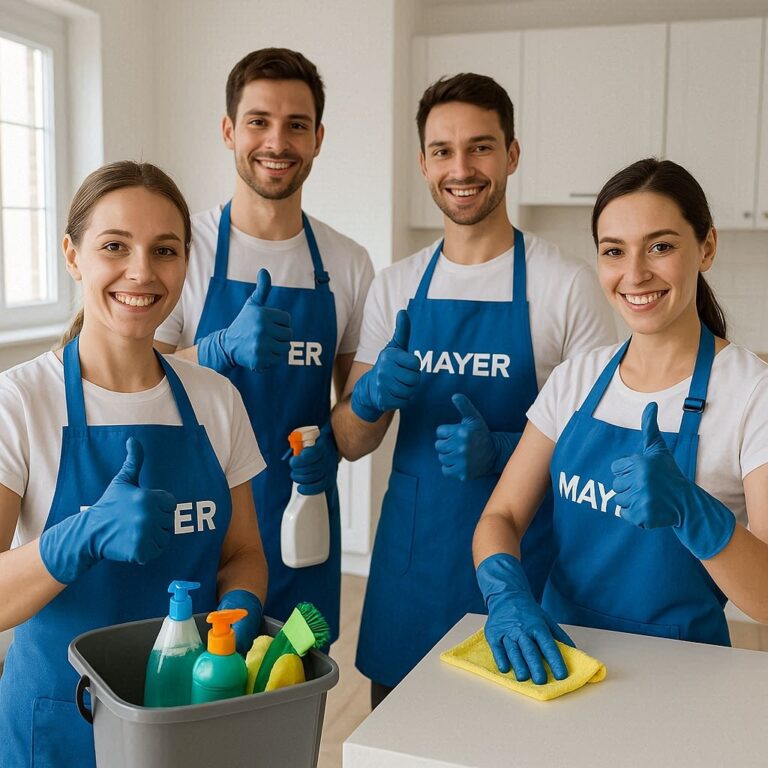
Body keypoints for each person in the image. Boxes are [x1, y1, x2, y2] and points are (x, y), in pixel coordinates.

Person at [331, 73, 617, 707]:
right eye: (443, 151)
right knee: (395, 736)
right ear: (424, 163)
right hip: (414, 565)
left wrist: (506, 448)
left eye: (480, 147)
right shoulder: (395, 285)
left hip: (527, 570)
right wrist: (371, 395)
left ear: (511, 154)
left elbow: (599, 451)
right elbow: (349, 442)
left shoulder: (565, 286)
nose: (461, 168)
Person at [0, 161, 269, 766]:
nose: (142, 271)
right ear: (73, 255)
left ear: (185, 263)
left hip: (190, 713)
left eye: (164, 250)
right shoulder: (19, 402)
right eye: (115, 246)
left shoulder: (216, 400)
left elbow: (243, 553)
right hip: (59, 724)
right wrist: (79, 536)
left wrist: (239, 612)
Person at [473, 158, 768, 686]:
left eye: (660, 246)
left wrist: (692, 509)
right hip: (560, 660)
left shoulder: (751, 392)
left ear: (706, 247)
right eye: (614, 251)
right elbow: (503, 515)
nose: (635, 274)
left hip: (683, 677)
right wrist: (507, 594)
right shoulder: (577, 378)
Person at [154, 49, 374, 643]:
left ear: (318, 138)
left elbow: (357, 436)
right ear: (229, 130)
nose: (277, 141)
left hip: (302, 515)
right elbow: (133, 382)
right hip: (197, 522)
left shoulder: (348, 262)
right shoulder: (184, 247)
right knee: (197, 679)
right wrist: (216, 350)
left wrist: (371, 404)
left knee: (296, 679)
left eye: (296, 124)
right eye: (258, 121)